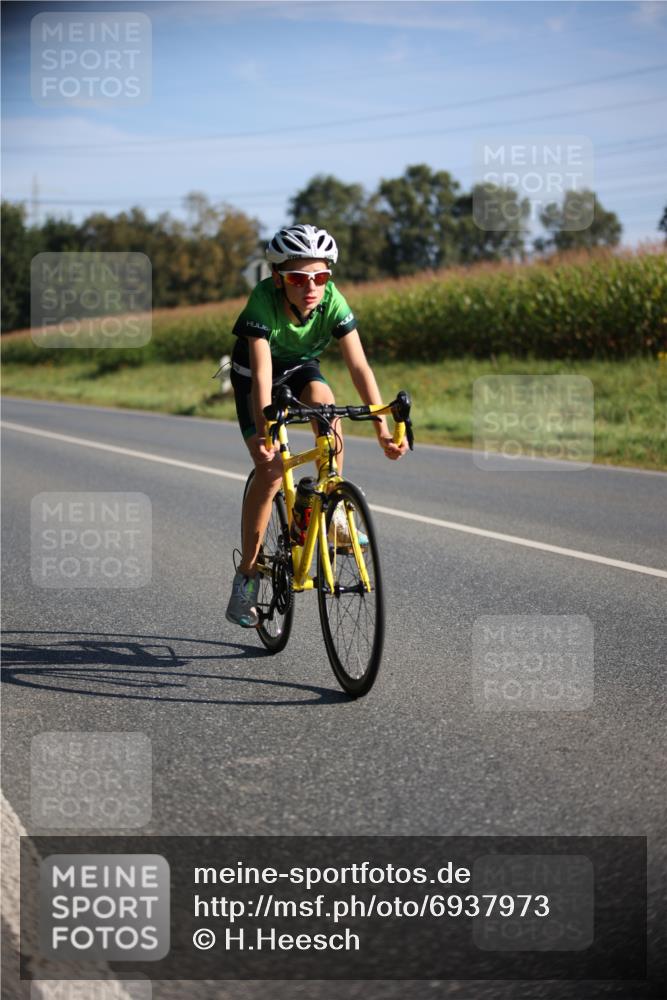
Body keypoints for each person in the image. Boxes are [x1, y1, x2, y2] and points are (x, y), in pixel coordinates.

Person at [225, 223, 408, 627]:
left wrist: (380, 426)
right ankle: (247, 578)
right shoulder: (262, 302)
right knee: (271, 471)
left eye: (320, 277)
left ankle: (332, 510)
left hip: (300, 368)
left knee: (328, 409)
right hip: (256, 377)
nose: (311, 287)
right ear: (279, 279)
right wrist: (266, 430)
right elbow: (262, 374)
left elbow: (359, 366)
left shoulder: (333, 301)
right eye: (298, 278)